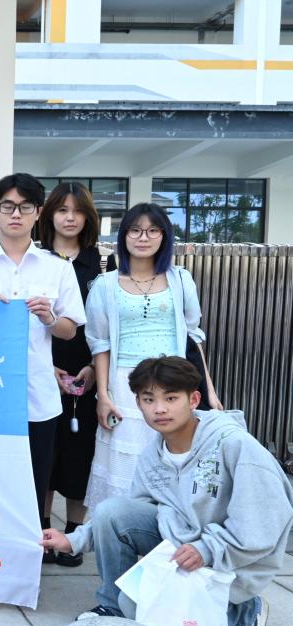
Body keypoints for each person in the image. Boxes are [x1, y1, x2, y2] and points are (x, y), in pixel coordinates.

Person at [42, 356, 293, 626]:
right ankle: (114, 605)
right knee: (112, 512)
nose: (159, 409)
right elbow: (132, 511)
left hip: (230, 562)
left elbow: (265, 521)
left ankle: (246, 610)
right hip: (182, 551)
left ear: (194, 399)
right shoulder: (154, 453)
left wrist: (208, 548)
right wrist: (73, 541)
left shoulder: (234, 444)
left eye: (171, 398)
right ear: (139, 403)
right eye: (149, 399)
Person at [0, 173, 85, 548]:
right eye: (7, 206)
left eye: (25, 207)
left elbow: (70, 330)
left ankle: (26, 556)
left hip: (37, 396)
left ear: (38, 212)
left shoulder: (57, 267)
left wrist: (49, 318)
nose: (15, 214)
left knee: (33, 481)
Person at [84, 203, 222, 511]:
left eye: (152, 231)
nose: (143, 238)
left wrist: (210, 391)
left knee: (173, 455)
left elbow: (193, 337)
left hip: (173, 381)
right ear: (124, 236)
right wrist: (103, 395)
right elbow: (100, 344)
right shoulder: (106, 285)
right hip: (125, 384)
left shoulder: (180, 279)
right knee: (126, 460)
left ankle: (169, 528)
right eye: (135, 230)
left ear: (164, 236)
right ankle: (123, 525)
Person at [35, 183, 116, 566]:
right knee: (44, 456)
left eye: (78, 211)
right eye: (62, 210)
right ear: (49, 214)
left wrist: (93, 371)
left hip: (88, 372)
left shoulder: (102, 265)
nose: (70, 218)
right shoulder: (35, 260)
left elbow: (108, 326)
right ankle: (43, 534)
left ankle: (72, 535)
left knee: (80, 455)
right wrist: (42, 367)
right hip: (41, 370)